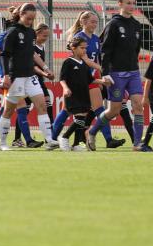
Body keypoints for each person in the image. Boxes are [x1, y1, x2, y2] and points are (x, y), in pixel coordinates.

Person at [53, 11, 127, 148]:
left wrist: (98, 77)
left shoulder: (95, 39)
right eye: (92, 21)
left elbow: (97, 58)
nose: (95, 24)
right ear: (83, 22)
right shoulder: (79, 38)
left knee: (97, 109)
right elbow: (85, 61)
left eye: (96, 22)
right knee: (68, 111)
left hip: (90, 78)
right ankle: (53, 139)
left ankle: (107, 139)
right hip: (78, 78)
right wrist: (103, 72)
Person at [86, 0, 146, 151]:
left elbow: (136, 49)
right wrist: (105, 73)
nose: (131, 6)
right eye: (128, 3)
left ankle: (137, 144)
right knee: (114, 110)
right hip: (115, 74)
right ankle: (92, 132)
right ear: (120, 4)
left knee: (138, 105)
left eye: (133, 3)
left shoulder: (136, 25)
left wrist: (135, 67)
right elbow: (105, 51)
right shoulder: (113, 24)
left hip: (133, 73)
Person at [0, 3, 57, 150]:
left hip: (30, 76)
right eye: (28, 18)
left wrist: (45, 68)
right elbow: (4, 56)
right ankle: (3, 143)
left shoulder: (30, 33)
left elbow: (32, 54)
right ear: (21, 14)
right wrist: (6, 76)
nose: (30, 22)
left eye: (33, 19)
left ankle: (49, 140)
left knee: (42, 105)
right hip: (16, 77)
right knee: (9, 111)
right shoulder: (12, 32)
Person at [57, 36, 104, 151]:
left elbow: (90, 80)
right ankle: (64, 137)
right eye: (82, 48)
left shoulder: (84, 63)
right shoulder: (68, 62)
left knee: (81, 120)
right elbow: (62, 79)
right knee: (79, 119)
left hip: (84, 94)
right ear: (73, 48)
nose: (84, 51)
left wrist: (102, 81)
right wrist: (66, 88)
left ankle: (76, 144)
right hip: (73, 95)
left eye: (85, 48)